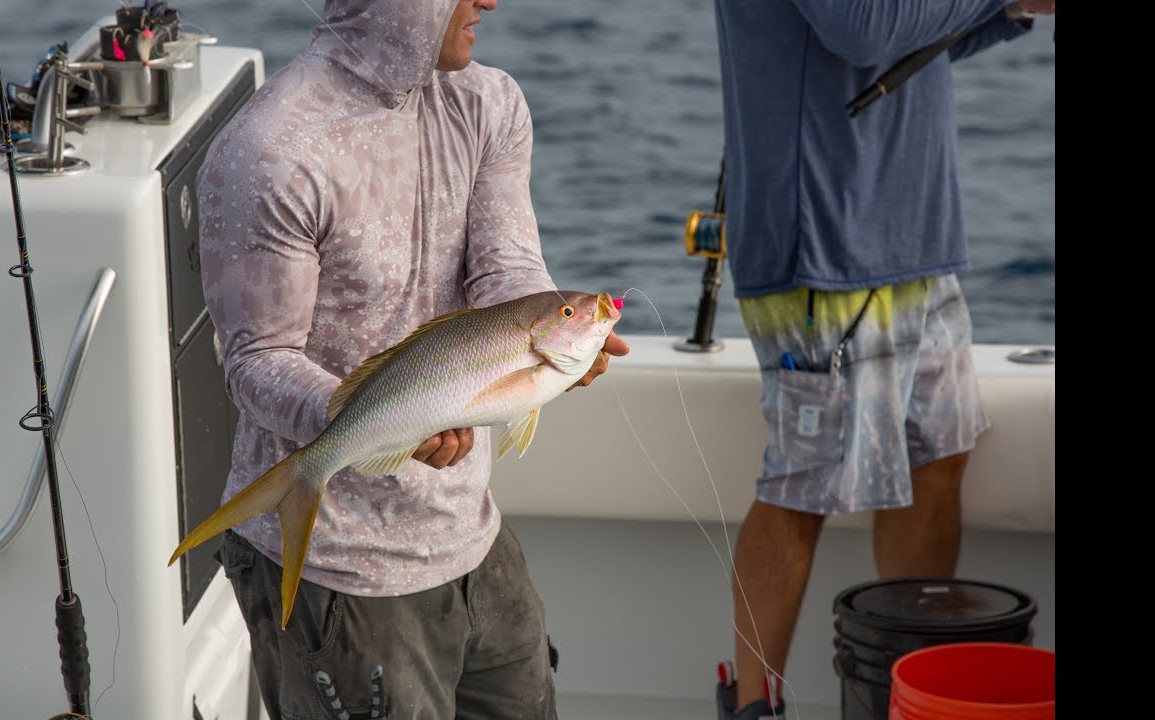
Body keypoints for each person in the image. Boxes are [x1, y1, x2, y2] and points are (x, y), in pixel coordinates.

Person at [195, 1, 630, 718]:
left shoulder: (489, 103)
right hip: (340, 573)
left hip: (473, 539)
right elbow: (256, 359)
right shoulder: (271, 149)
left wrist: (556, 341)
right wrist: (386, 428)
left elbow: (508, 273)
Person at [709, 1, 1054, 718]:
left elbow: (916, 35)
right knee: (803, 487)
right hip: (826, 246)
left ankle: (912, 690)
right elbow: (862, 30)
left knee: (940, 457)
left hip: (918, 232)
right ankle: (751, 708)